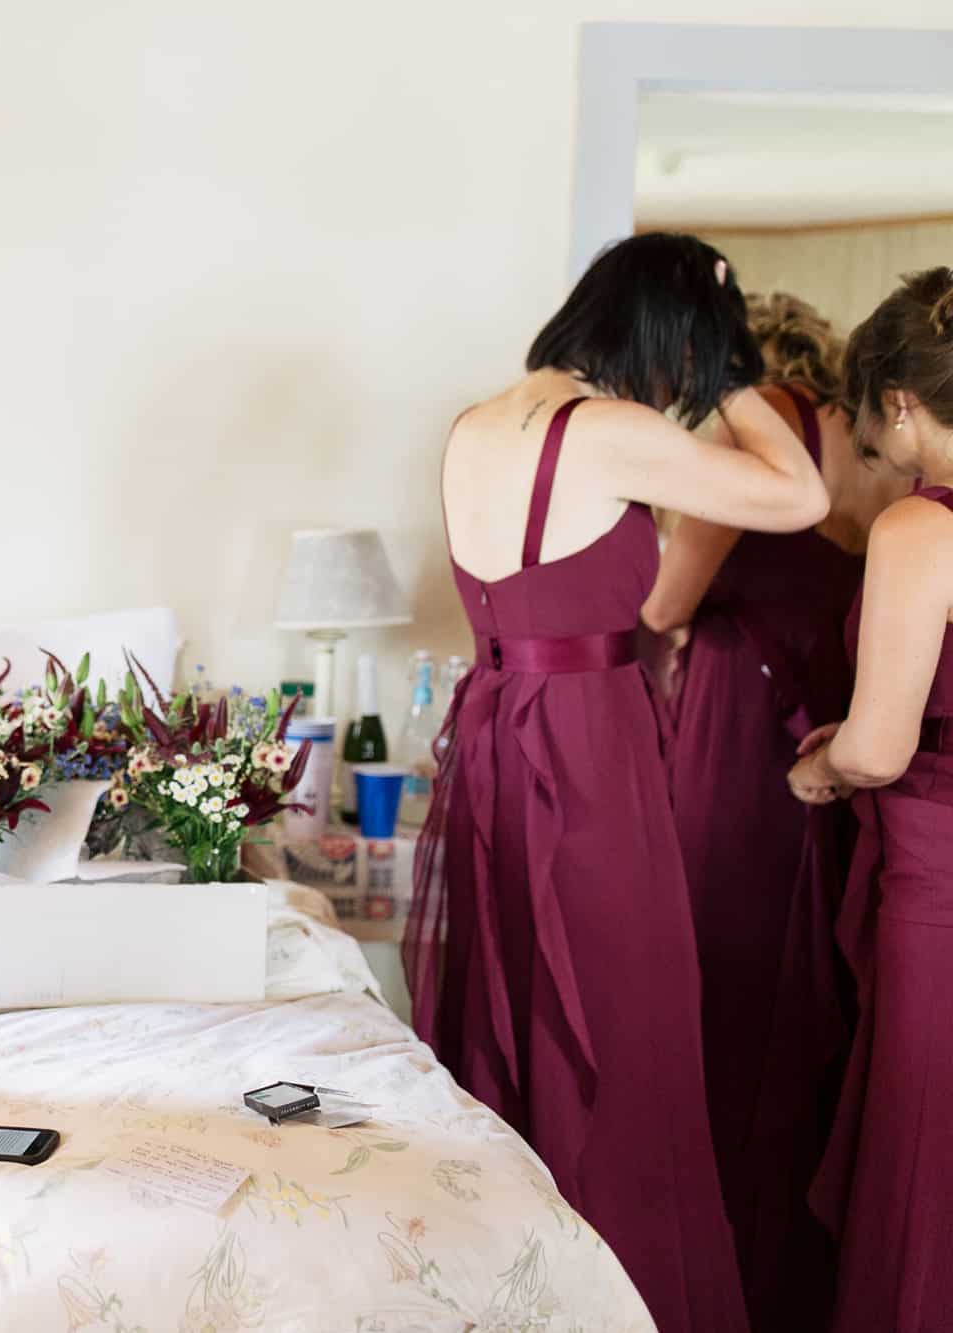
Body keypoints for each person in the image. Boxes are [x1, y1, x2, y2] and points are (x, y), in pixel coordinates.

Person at [406, 232, 830, 1333]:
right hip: (586, 745)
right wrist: (739, 371)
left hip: (498, 733)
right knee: (624, 1020)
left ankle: (514, 1285)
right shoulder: (606, 432)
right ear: (669, 335)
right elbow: (792, 493)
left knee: (520, 1005)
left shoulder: (474, 423)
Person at [642, 292, 907, 1330]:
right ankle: (790, 1267)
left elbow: (662, 605)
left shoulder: (751, 446)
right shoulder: (858, 438)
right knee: (808, 999)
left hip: (737, 735)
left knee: (728, 984)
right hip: (829, 727)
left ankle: (718, 1266)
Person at [788, 267, 953, 1332]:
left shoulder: (918, 528)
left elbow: (881, 747)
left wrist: (820, 762)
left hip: (938, 878)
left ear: (896, 399)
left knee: (922, 1157)